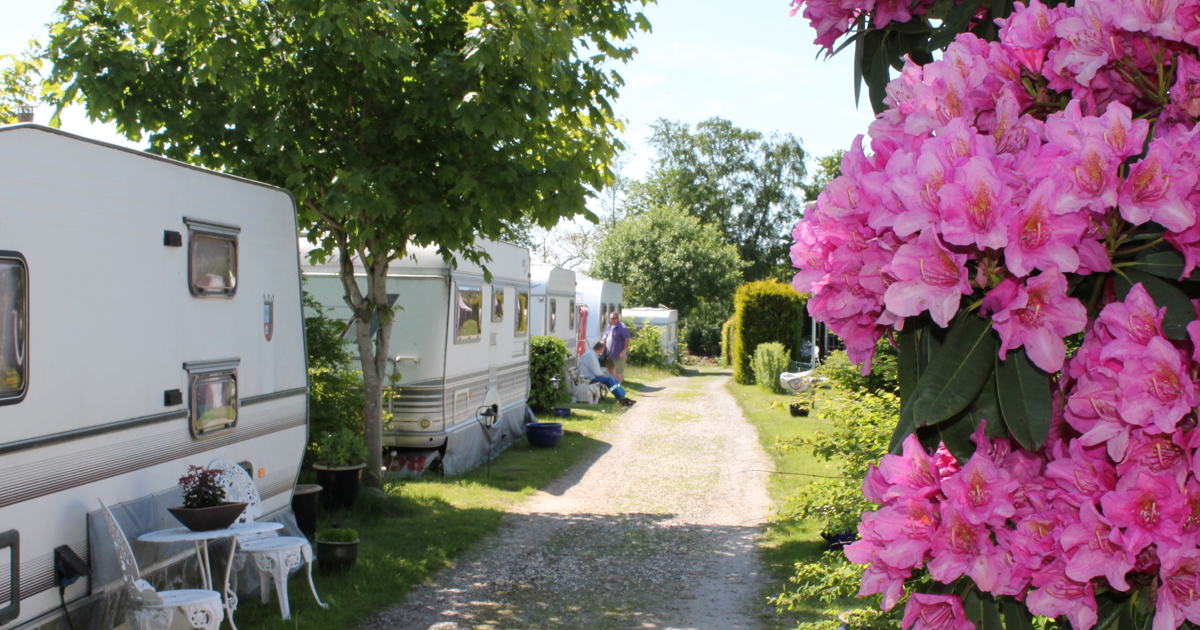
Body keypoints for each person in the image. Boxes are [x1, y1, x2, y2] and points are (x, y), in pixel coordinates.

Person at [580, 341, 635, 407]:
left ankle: (623, 397)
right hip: (588, 379)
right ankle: (621, 398)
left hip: (591, 377)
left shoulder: (591, 354)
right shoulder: (590, 356)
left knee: (612, 379)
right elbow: (596, 372)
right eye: (603, 350)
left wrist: (605, 376)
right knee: (610, 380)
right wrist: (604, 376)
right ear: (600, 349)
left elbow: (596, 371)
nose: (603, 352)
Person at [602, 311, 631, 383]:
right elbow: (605, 336)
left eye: (614, 318)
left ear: (618, 318)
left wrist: (624, 351)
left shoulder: (622, 327)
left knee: (619, 371)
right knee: (609, 367)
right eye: (611, 318)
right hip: (609, 351)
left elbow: (627, 339)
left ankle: (618, 388)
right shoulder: (609, 326)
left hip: (619, 352)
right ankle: (615, 381)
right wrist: (602, 346)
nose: (612, 320)